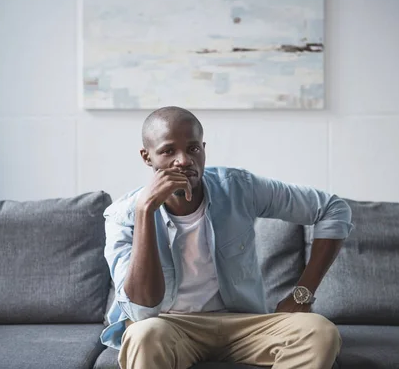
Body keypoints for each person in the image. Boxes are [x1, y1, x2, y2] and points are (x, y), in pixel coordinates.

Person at [100, 106, 353, 369]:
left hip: (243, 323)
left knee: (320, 331)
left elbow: (332, 209)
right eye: (168, 151)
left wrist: (302, 294)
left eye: (193, 148)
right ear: (147, 157)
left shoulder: (237, 187)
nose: (184, 160)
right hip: (169, 324)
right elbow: (141, 310)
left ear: (204, 148)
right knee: (143, 335)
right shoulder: (123, 216)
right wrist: (145, 211)